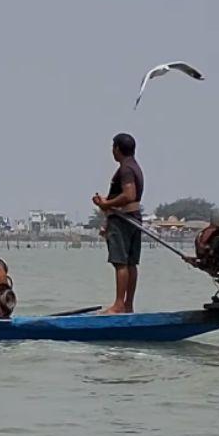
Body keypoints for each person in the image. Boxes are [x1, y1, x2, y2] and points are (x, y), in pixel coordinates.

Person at [93, 132, 144, 314]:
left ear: (117, 149)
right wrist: (107, 203)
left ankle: (119, 304)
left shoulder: (126, 169)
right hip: (133, 219)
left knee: (121, 263)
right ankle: (128, 305)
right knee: (131, 263)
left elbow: (129, 195)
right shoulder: (134, 167)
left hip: (123, 221)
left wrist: (106, 203)